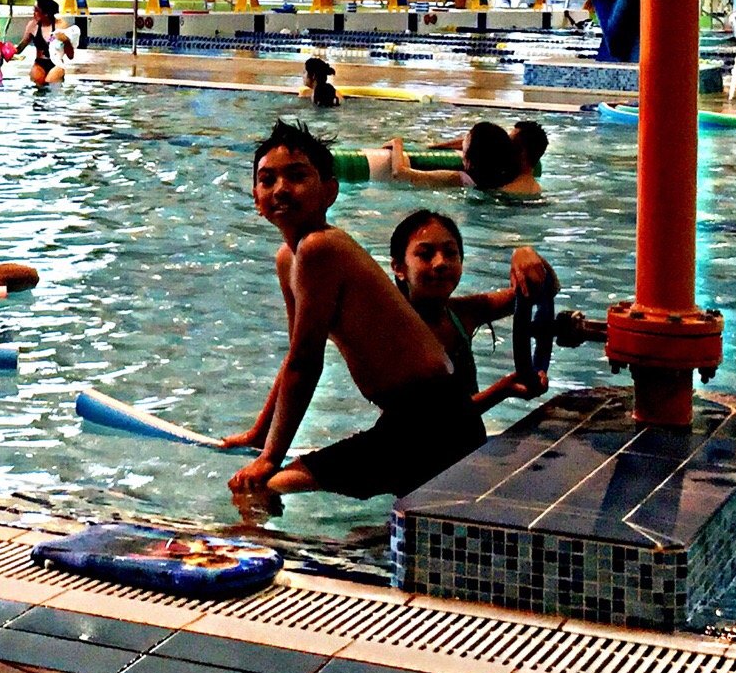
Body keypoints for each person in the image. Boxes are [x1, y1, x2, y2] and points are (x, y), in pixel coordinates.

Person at [223, 122, 545, 504]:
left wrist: (269, 459)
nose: (280, 188)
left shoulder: (320, 248)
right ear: (256, 199)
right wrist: (261, 434)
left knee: (261, 491)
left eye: (297, 176)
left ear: (330, 191)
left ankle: (291, 559)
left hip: (434, 422)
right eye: (267, 179)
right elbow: (297, 355)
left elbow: (306, 364)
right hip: (409, 423)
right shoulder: (289, 258)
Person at [391, 120, 546, 198]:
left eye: (508, 142)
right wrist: (434, 147)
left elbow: (400, 173)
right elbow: (482, 144)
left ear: (522, 153)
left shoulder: (495, 185)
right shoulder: (535, 190)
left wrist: (397, 143)